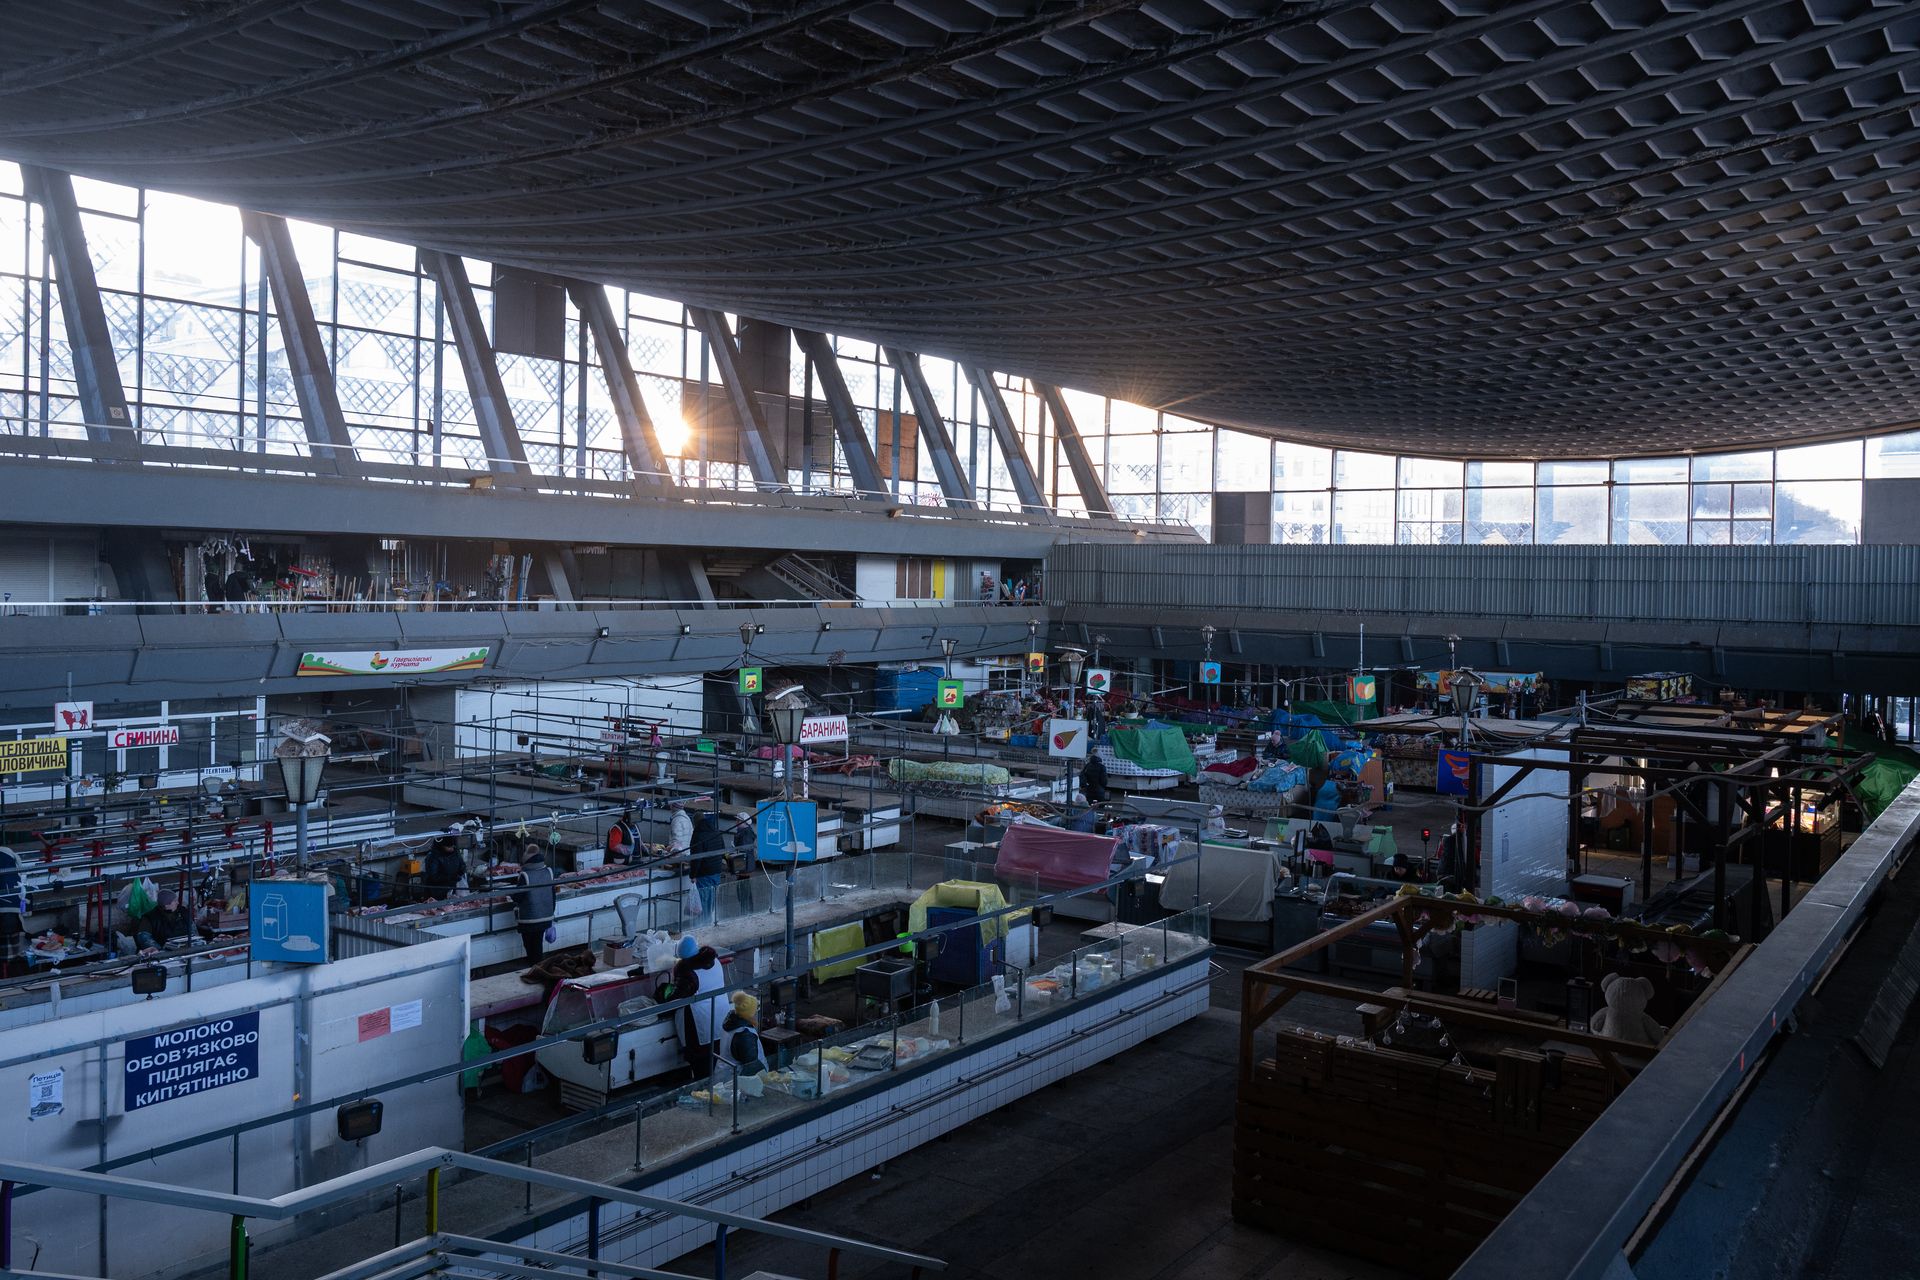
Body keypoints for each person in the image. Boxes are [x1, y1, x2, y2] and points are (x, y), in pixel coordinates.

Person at [658, 934, 725, 1075]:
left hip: (699, 1024)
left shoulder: (688, 973)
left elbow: (675, 997)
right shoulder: (714, 960)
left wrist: (663, 997)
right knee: (716, 1061)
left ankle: (703, 1086)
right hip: (720, 1015)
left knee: (702, 1066)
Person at [511, 844, 556, 962]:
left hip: (529, 919)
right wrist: (551, 913)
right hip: (545, 917)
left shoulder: (525, 875)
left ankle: (535, 968)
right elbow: (553, 895)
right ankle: (538, 966)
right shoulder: (549, 871)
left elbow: (518, 897)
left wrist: (510, 894)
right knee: (537, 945)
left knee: (530, 947)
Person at [714, 990, 768, 1080]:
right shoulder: (744, 1034)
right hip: (737, 1081)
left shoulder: (731, 1022)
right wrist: (765, 1079)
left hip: (724, 1075)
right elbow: (752, 1066)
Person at [689, 813, 727, 920]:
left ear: (695, 823)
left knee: (703, 900)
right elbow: (723, 851)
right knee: (712, 899)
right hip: (717, 870)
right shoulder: (716, 832)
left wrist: (693, 874)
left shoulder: (698, 835)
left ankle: (703, 923)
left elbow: (696, 858)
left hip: (704, 872)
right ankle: (710, 920)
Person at [421, 834, 466, 899]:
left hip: (452, 888)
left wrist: (461, 872)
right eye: (449, 847)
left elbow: (462, 865)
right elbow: (434, 876)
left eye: (452, 846)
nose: (452, 849)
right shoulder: (433, 857)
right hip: (436, 891)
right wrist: (451, 877)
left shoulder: (455, 852)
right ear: (441, 846)